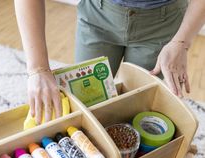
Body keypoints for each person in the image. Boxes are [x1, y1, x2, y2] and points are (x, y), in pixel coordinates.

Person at [14, 0, 205, 125]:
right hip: (98, 14)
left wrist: (182, 42)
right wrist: (37, 69)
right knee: (83, 105)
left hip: (162, 22)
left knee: (136, 112)